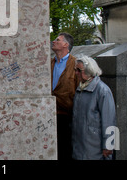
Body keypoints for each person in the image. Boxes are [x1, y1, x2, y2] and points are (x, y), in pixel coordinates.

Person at [71, 55, 116, 160]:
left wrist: (109, 146)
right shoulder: (80, 89)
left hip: (95, 148)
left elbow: (110, 120)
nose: (76, 73)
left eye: (79, 70)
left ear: (89, 70)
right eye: (75, 69)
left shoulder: (102, 90)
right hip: (81, 146)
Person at [51, 32, 78, 160]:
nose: (54, 41)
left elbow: (79, 89)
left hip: (67, 115)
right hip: (50, 113)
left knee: (65, 150)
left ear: (66, 45)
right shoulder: (50, 63)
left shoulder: (75, 64)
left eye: (58, 40)